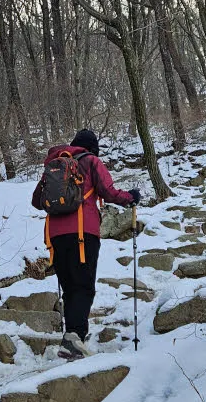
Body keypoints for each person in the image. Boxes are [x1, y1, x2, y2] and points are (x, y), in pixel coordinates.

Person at [32, 129, 141, 360]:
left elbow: (36, 201)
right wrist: (130, 197)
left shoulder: (53, 165)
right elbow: (108, 192)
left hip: (55, 237)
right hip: (83, 233)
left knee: (71, 287)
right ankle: (74, 338)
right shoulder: (91, 161)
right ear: (92, 147)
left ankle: (72, 339)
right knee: (84, 286)